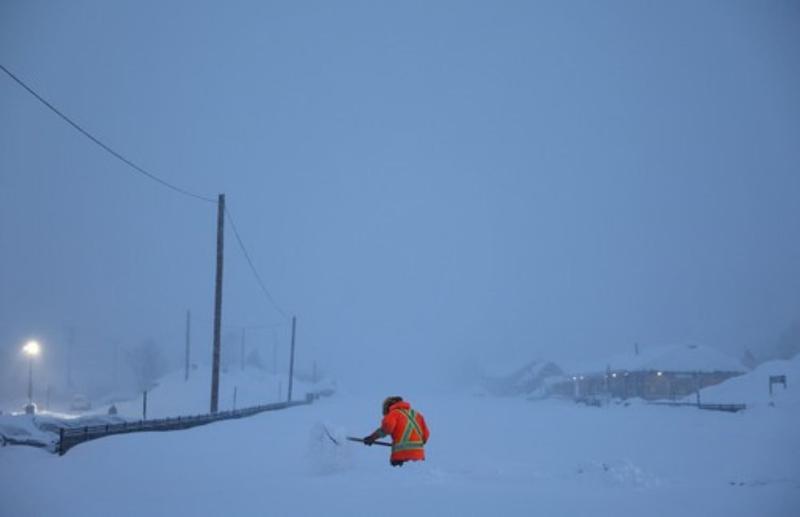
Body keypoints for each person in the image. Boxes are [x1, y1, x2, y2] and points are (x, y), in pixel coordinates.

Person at [363, 396, 430, 467]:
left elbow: (387, 429)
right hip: (419, 454)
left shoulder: (393, 414)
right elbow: (426, 434)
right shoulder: (417, 414)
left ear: (388, 406)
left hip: (400, 455)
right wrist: (415, 445)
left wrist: (372, 437)